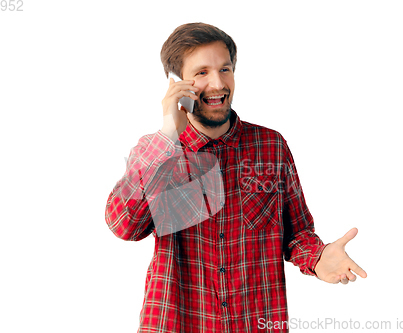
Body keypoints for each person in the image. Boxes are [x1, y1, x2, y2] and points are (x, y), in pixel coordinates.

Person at [105, 22, 367, 333]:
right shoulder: (156, 152)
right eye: (201, 72)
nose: (217, 83)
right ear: (177, 84)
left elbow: (296, 233)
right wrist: (168, 135)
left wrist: (318, 257)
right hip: (178, 323)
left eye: (225, 69)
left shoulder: (270, 146)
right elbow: (125, 226)